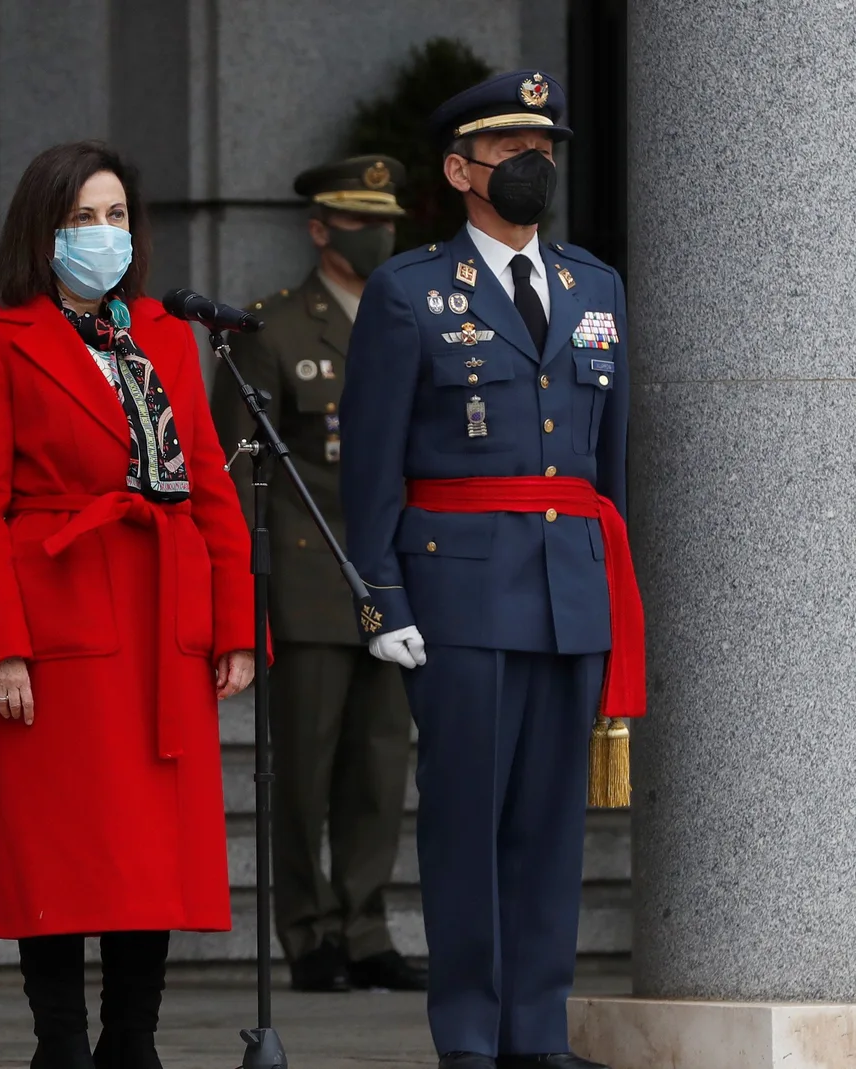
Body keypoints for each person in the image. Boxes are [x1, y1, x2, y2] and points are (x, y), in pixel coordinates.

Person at [340, 70, 641, 1069]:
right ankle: (469, 1036)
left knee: (551, 833)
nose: (532, 166)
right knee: (467, 823)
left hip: (565, 590)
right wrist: (380, 591)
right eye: (511, 151)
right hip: (457, 592)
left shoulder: (594, 285)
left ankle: (535, 1032)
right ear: (460, 168)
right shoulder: (408, 291)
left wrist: (602, 577)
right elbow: (373, 459)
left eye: (544, 151)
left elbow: (610, 460)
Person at [0, 141, 256, 1069]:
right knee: (61, 846)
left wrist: (236, 622)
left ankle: (134, 1039)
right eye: (84, 218)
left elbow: (208, 486)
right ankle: (63, 1044)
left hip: (165, 623)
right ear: (43, 234)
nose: (104, 234)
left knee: (149, 851)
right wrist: (1, 646)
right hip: (59, 627)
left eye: (117, 216)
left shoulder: (163, 335)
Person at [212, 155, 424, 994]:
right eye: (359, 222)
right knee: (303, 770)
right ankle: (308, 932)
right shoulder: (273, 330)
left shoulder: (414, 317)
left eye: (387, 223)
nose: (378, 237)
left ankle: (366, 922)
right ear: (319, 228)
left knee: (378, 769)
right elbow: (239, 474)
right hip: (306, 580)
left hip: (397, 580)